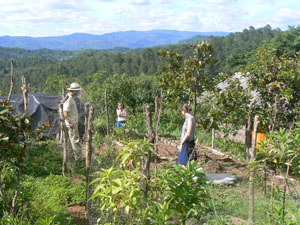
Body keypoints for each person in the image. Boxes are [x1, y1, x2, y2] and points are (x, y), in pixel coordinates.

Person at [63, 82, 82, 160]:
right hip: (72, 123)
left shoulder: (70, 98)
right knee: (75, 140)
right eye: (77, 91)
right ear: (73, 91)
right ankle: (78, 158)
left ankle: (74, 156)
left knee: (73, 140)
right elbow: (65, 112)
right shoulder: (69, 99)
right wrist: (69, 122)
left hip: (73, 122)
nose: (78, 92)